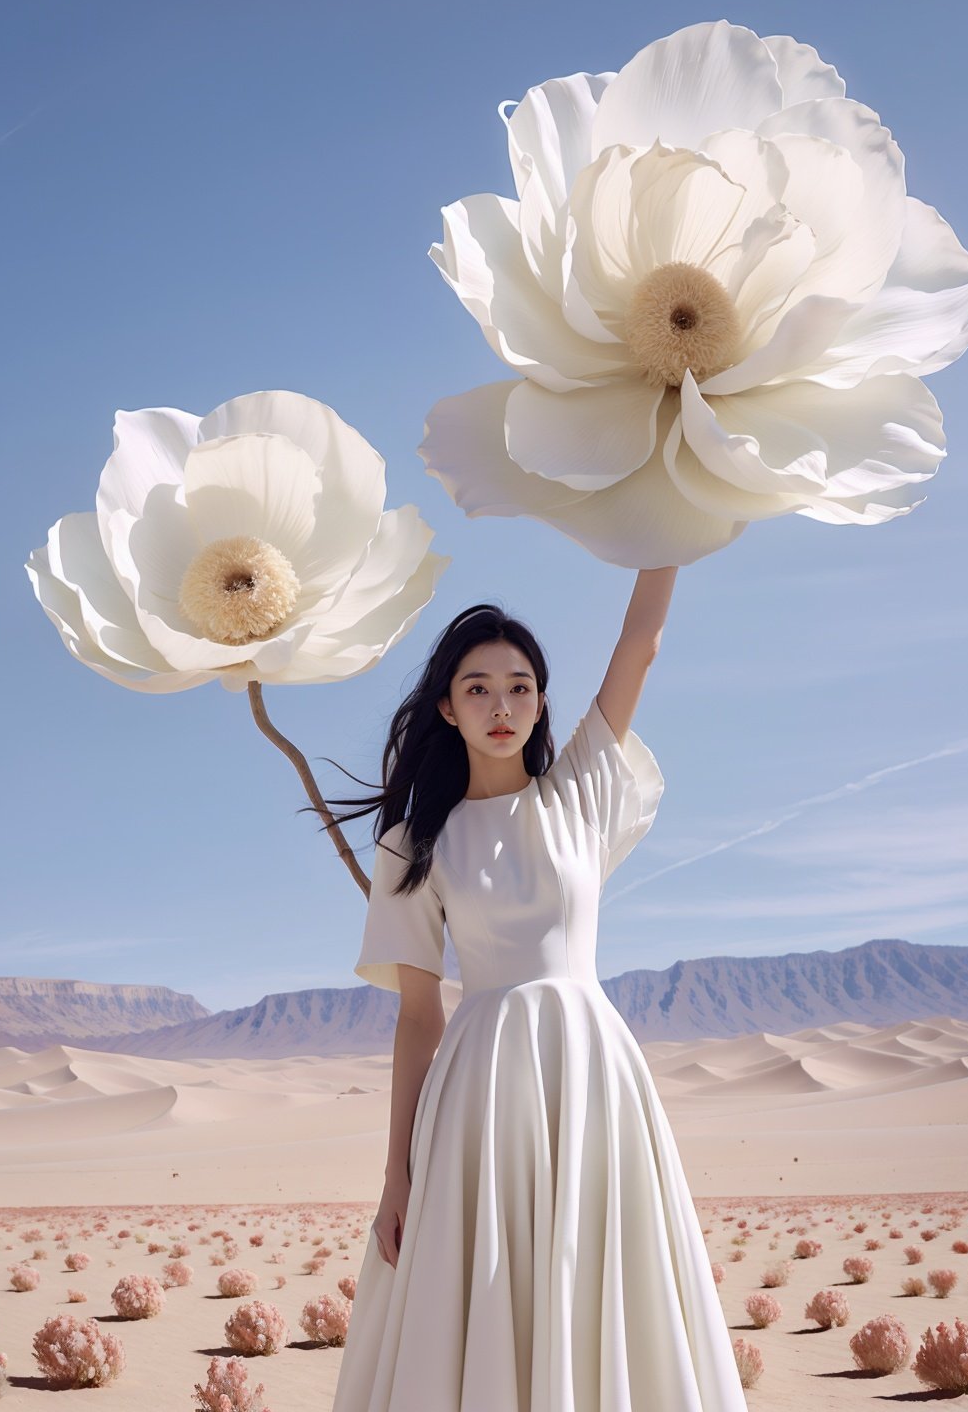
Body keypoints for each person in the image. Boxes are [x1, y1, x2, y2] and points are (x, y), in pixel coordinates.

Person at [329, 569, 749, 1411]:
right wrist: (395, 1178)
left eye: (519, 688)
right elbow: (418, 1018)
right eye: (477, 687)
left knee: (601, 1282)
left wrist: (668, 511)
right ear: (447, 707)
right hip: (480, 1095)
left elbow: (641, 644)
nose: (500, 705)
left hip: (592, 1074)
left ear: (542, 704)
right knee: (479, 1297)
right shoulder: (415, 845)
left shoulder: (582, 792)